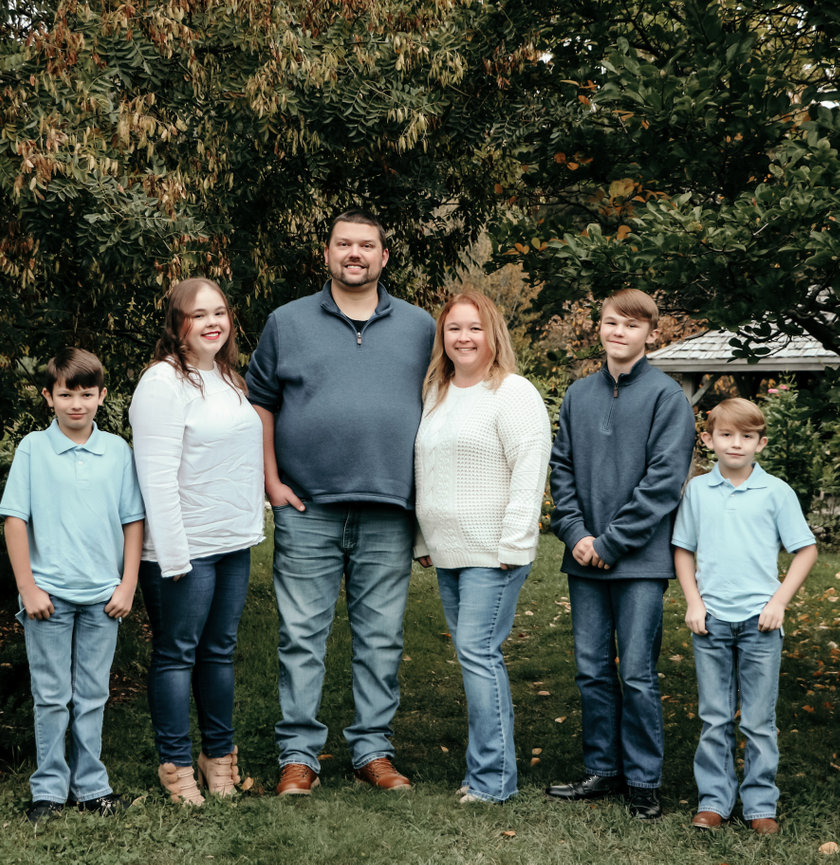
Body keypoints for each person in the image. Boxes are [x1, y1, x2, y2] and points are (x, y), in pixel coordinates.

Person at [246, 209, 435, 796]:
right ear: (326, 253)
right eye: (343, 243)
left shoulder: (421, 327)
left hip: (388, 507)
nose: (355, 253)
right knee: (301, 634)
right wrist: (270, 481)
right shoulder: (287, 321)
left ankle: (372, 750)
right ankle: (299, 754)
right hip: (308, 507)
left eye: (367, 245)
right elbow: (261, 404)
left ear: (384, 256)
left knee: (382, 636)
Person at [545, 289, 696, 820]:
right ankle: (602, 770)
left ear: (650, 334)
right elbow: (559, 467)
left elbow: (663, 482)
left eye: (631, 326)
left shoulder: (667, 398)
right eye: (611, 322)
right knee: (591, 670)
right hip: (583, 556)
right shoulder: (577, 394)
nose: (619, 332)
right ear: (600, 328)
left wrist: (612, 542)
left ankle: (644, 779)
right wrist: (576, 534)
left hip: (640, 561)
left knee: (635, 671)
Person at [129, 278, 265, 805]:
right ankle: (176, 763)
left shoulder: (230, 377)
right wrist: (174, 555)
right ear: (176, 325)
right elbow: (156, 477)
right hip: (183, 546)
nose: (213, 322)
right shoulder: (162, 383)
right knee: (176, 654)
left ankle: (219, 757)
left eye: (221, 312)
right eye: (198, 314)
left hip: (232, 541)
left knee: (220, 653)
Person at [412, 292, 551, 804]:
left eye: (474, 328)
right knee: (475, 655)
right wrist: (424, 537)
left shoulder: (513, 393)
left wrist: (514, 543)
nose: (463, 338)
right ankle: (487, 775)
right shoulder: (437, 391)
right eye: (454, 329)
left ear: (493, 335)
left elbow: (529, 470)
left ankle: (491, 781)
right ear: (442, 338)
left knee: (478, 654)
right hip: (448, 550)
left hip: (493, 552)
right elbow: (427, 468)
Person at [0, 348, 145, 824]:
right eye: (66, 394)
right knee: (51, 695)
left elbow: (132, 521)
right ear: (48, 396)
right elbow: (15, 519)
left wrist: (127, 585)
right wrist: (28, 588)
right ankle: (48, 790)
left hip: (103, 598)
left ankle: (91, 787)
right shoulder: (32, 449)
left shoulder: (118, 452)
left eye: (86, 394)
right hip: (49, 598)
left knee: (92, 695)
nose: (76, 403)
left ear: (102, 396)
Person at [672, 397, 817, 836]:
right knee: (714, 715)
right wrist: (693, 602)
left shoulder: (776, 493)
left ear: (761, 442)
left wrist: (779, 602)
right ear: (708, 439)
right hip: (711, 620)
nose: (736, 444)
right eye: (726, 435)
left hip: (760, 622)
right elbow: (683, 549)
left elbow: (805, 550)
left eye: (747, 436)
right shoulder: (697, 491)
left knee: (757, 719)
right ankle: (714, 800)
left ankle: (759, 804)